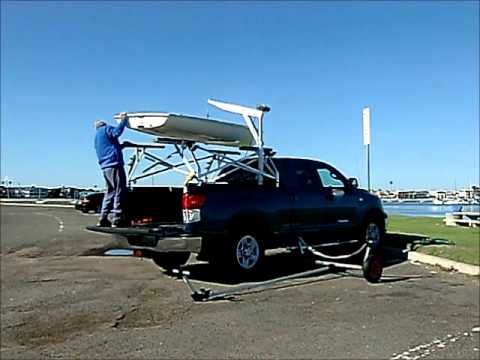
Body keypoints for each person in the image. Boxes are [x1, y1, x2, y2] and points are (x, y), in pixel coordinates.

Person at [94, 113, 129, 227]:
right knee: (119, 190)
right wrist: (123, 121)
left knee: (110, 192)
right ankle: (116, 219)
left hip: (105, 167)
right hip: (114, 164)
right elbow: (116, 132)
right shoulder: (106, 129)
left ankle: (103, 218)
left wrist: (122, 146)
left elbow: (108, 148)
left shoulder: (97, 137)